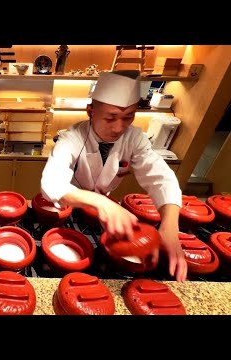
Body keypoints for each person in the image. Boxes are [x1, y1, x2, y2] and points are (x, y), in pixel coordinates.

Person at [41, 70, 187, 282]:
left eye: (128, 117)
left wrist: (170, 227)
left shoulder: (134, 138)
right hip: (68, 205)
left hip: (107, 211)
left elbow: (162, 178)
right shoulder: (72, 137)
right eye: (110, 118)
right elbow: (51, 183)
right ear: (90, 111)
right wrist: (101, 202)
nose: (119, 127)